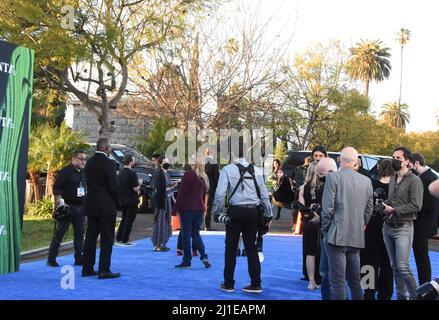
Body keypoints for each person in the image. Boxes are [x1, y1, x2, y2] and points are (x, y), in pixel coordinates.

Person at [212, 152, 273, 293]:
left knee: (231, 247)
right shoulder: (257, 170)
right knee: (251, 247)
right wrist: (268, 215)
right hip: (253, 212)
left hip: (235, 211)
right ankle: (256, 283)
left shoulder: (227, 169)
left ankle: (228, 283)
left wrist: (218, 212)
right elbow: (264, 195)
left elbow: (220, 194)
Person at [321, 147, 373, 300]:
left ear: (339, 160)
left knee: (337, 282)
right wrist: (362, 225)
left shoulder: (333, 178)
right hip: (356, 235)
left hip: (336, 235)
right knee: (355, 281)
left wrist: (326, 229)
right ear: (356, 161)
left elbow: (327, 208)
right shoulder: (366, 181)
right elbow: (369, 209)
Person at [381, 147, 423, 300]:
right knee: (394, 267)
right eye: (393, 157)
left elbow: (416, 205)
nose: (394, 161)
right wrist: (384, 205)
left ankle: (416, 296)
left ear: (407, 161)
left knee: (403, 267)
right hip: (387, 227)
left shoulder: (415, 180)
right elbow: (393, 200)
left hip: (403, 228)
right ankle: (401, 296)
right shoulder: (393, 178)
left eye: (398, 158)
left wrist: (394, 209)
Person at [82, 138, 121, 279]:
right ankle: (104, 270)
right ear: (105, 148)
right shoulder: (109, 163)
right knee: (107, 238)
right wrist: (118, 204)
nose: (110, 149)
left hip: (91, 204)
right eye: (109, 147)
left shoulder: (89, 163)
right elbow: (113, 186)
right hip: (106, 206)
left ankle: (87, 268)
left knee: (90, 237)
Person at [360, 159, 394, 300]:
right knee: (387, 263)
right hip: (390, 226)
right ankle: (385, 294)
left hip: (372, 226)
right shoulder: (396, 186)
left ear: (378, 167)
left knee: (368, 261)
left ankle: (368, 292)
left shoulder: (371, 184)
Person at [47, 150, 87, 267]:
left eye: (85, 159)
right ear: (73, 159)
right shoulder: (65, 172)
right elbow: (57, 189)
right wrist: (60, 204)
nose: (83, 161)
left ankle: (79, 258)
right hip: (67, 207)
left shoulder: (83, 173)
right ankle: (51, 258)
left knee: (80, 234)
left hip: (81, 208)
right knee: (60, 233)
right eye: (81, 158)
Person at [173, 154, 211, 268]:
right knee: (195, 234)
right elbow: (204, 195)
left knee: (186, 234)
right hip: (199, 209)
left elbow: (182, 194)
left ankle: (187, 260)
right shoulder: (203, 177)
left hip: (187, 209)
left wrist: (175, 209)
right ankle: (203, 255)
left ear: (194, 163)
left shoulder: (188, 175)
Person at [410, 152, 438, 285]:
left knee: (422, 257)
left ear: (416, 163)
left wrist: (412, 207)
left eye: (411, 165)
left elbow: (430, 205)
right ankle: (424, 284)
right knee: (420, 256)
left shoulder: (429, 178)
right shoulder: (425, 176)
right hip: (422, 222)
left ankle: (424, 285)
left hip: (424, 224)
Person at [314, 157, 339, 300]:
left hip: (331, 234)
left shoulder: (329, 186)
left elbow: (328, 212)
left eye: (320, 174)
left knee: (328, 274)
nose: (319, 178)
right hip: (349, 236)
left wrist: (323, 226)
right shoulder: (352, 182)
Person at [298, 162, 323, 290]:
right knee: (323, 251)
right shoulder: (325, 186)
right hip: (322, 222)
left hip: (308, 222)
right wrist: (318, 215)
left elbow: (301, 207)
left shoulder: (303, 187)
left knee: (310, 252)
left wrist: (311, 214)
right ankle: (322, 277)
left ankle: (311, 281)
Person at [151, 157, 176, 252]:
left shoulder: (166, 174)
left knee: (165, 222)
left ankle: (162, 243)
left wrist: (171, 188)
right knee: (160, 222)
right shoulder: (160, 174)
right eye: (166, 163)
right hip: (162, 201)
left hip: (167, 200)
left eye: (168, 162)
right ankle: (158, 244)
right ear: (161, 164)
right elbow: (160, 189)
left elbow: (166, 187)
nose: (168, 164)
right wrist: (172, 187)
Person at [115, 155, 140, 246]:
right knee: (129, 220)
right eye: (133, 161)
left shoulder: (120, 174)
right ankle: (125, 239)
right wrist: (139, 186)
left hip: (123, 200)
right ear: (130, 162)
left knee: (124, 219)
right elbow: (135, 188)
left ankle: (119, 238)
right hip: (132, 200)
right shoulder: (132, 173)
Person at [204, 148, 219, 230]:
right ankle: (207, 225)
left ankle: (197, 225)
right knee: (208, 207)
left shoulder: (201, 163)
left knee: (200, 206)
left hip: (201, 188)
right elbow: (217, 178)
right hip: (210, 188)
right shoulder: (214, 164)